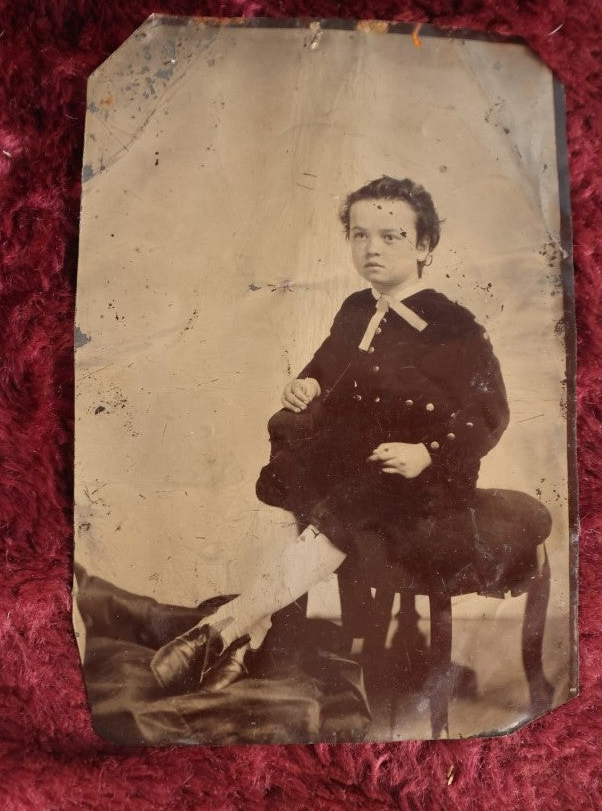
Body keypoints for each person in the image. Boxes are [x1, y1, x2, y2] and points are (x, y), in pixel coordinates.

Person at [150, 175, 510, 694]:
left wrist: (427, 454)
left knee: (353, 497)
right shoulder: (355, 309)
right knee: (295, 474)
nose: (371, 249)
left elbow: (490, 413)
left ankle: (222, 627)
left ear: (425, 245)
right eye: (360, 235)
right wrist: (307, 383)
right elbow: (325, 365)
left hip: (420, 475)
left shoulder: (454, 325)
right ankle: (251, 644)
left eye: (391, 236)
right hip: (359, 459)